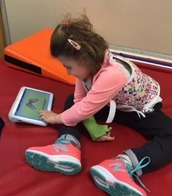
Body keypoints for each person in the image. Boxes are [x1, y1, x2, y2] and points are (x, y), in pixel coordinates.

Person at [25, 13, 172, 196]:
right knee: (72, 101)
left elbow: (84, 108)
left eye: (68, 67)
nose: (68, 72)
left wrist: (58, 118)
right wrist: (93, 127)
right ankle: (67, 146)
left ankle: (122, 165)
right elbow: (79, 100)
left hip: (142, 109)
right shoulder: (87, 68)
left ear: (84, 59)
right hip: (115, 104)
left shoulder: (113, 74)